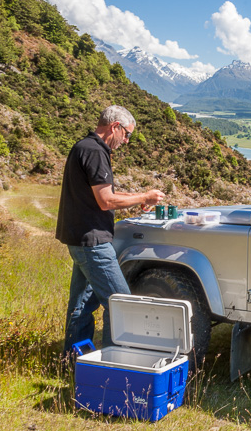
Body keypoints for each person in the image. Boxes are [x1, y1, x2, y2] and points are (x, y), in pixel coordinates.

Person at [56, 105, 165, 355]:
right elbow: (106, 200)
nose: (126, 141)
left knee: (82, 304)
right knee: (121, 304)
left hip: (80, 238)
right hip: (93, 242)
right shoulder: (96, 151)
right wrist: (143, 197)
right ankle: (115, 360)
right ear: (115, 127)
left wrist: (140, 197)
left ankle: (73, 359)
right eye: (127, 134)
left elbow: (105, 193)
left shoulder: (84, 146)